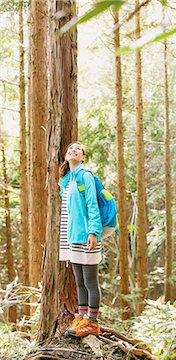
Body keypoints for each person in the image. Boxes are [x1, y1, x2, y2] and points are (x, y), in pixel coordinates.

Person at [58, 141, 103, 337]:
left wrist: (93, 232)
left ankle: (92, 322)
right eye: (70, 149)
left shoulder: (86, 176)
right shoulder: (68, 181)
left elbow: (92, 205)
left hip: (87, 237)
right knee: (80, 282)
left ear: (83, 157)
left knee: (91, 282)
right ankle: (82, 318)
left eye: (78, 149)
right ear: (67, 157)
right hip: (73, 239)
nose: (73, 150)